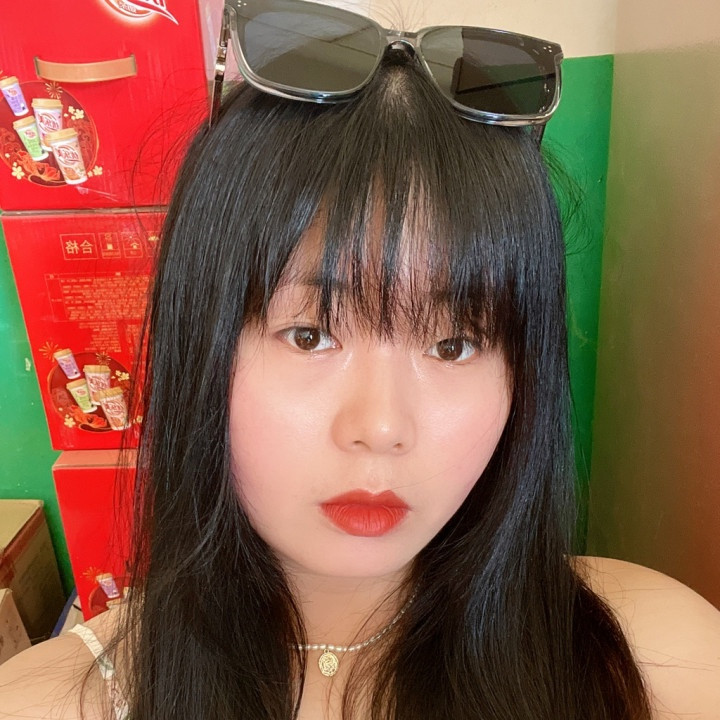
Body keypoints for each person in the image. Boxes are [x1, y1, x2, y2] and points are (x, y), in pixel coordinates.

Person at [1, 2, 720, 718]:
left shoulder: (661, 663)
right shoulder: (53, 705)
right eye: (310, 334)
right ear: (202, 344)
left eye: (453, 344)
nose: (381, 428)